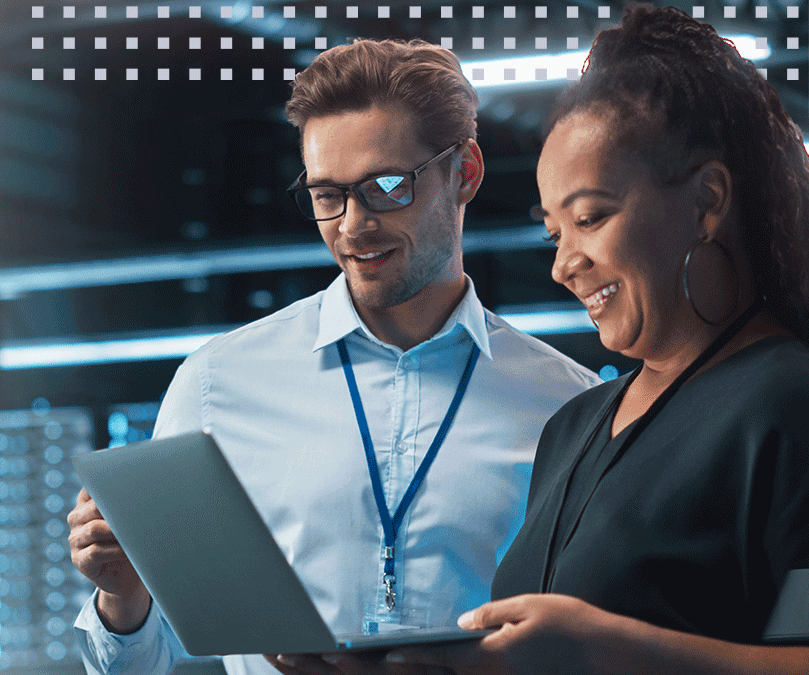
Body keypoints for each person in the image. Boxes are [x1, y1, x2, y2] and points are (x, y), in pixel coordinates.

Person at [266, 6, 809, 675]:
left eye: (590, 217)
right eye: (555, 232)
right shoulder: (575, 425)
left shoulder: (787, 403)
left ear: (707, 201)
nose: (563, 263)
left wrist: (609, 650)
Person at [69, 38, 599, 675]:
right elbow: (137, 667)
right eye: (327, 196)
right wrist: (123, 596)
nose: (352, 225)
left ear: (464, 172)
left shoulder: (571, 406)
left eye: (384, 187)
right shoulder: (215, 385)